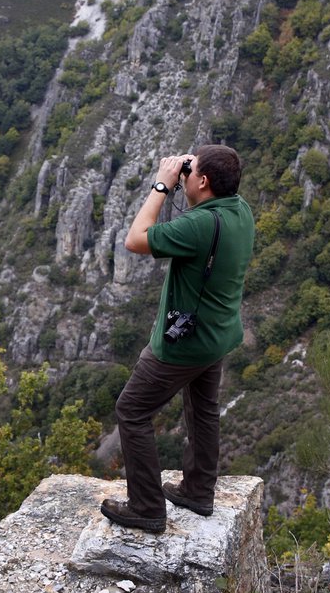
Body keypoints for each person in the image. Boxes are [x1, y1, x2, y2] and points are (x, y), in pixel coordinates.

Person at [100, 144, 255, 533]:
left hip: (184, 343)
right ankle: (198, 491)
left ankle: (147, 508)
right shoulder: (239, 210)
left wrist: (162, 185)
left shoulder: (199, 226)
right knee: (203, 410)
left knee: (132, 411)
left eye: (192, 172)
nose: (185, 175)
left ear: (202, 181)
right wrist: (197, 166)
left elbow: (136, 239)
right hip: (219, 334)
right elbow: (216, 178)